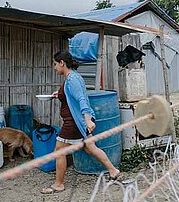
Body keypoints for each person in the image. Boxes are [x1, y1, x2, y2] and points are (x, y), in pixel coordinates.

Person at [41, 51, 120, 194]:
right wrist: (58, 95)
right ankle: (113, 171)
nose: (54, 68)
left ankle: (59, 184)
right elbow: (72, 96)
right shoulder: (73, 77)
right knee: (90, 148)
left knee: (59, 151)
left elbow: (82, 100)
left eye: (55, 64)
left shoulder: (72, 79)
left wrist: (87, 120)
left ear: (62, 63)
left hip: (74, 123)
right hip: (78, 122)